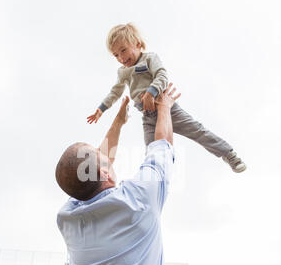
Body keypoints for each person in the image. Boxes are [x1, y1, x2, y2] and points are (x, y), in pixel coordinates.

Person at [55, 84, 180, 265]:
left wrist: (119, 121)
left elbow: (91, 170)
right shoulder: (139, 200)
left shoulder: (68, 217)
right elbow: (162, 145)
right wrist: (164, 107)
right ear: (103, 171)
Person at [87, 22, 246, 173]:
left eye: (123, 50)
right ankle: (158, 180)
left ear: (136, 43)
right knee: (152, 154)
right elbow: (115, 92)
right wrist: (101, 109)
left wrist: (152, 92)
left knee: (197, 130)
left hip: (168, 109)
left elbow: (162, 75)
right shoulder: (122, 72)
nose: (121, 58)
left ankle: (229, 154)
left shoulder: (149, 58)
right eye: (116, 55)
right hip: (148, 117)